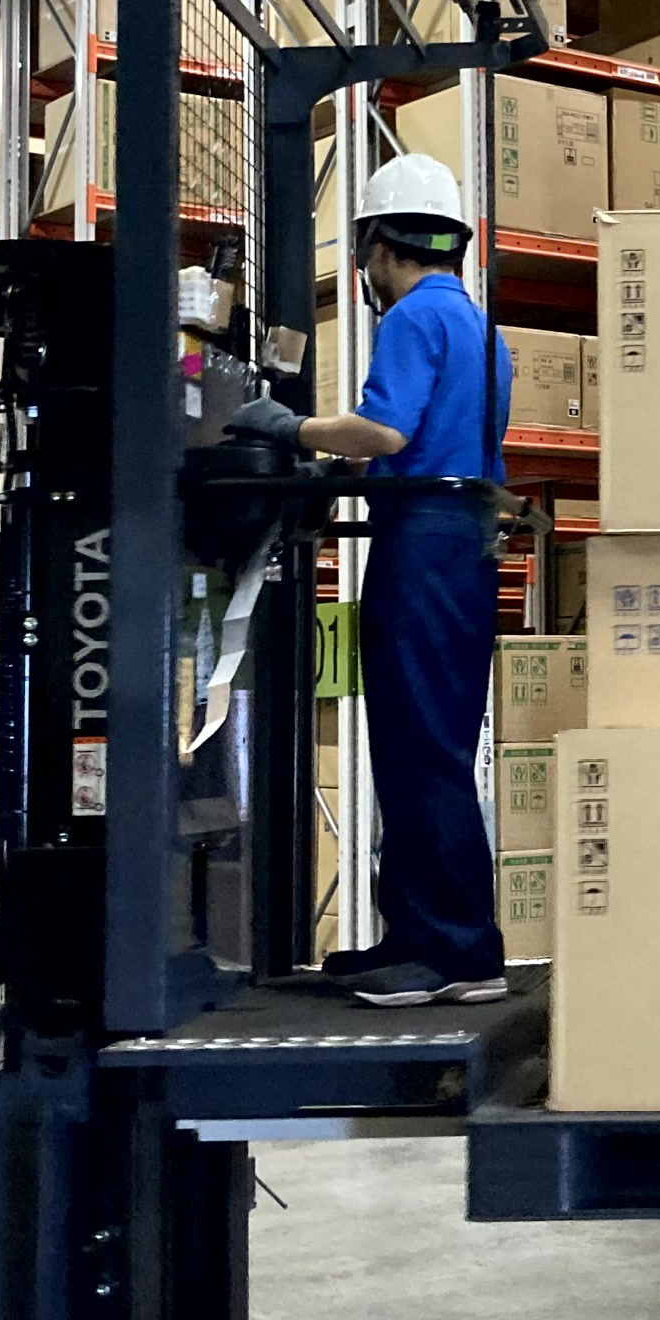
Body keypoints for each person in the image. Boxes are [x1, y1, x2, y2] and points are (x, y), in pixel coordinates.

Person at [229, 152, 512, 1008]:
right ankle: (421, 937)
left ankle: (455, 950)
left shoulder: (412, 318)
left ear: (380, 247)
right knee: (426, 745)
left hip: (422, 546)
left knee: (420, 749)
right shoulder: (478, 327)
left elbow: (383, 433)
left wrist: (289, 428)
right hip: (460, 542)